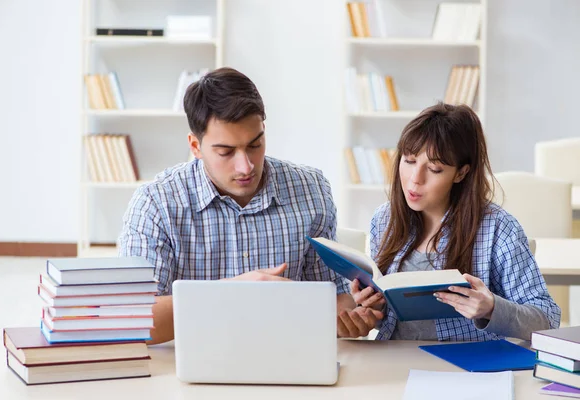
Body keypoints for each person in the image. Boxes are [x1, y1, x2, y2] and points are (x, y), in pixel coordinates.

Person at [118, 67, 383, 344]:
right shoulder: (156, 203)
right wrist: (231, 293)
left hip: (288, 359)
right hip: (192, 363)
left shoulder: (311, 189)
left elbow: (333, 297)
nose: (246, 167)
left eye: (255, 145)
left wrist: (353, 315)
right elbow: (133, 321)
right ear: (195, 146)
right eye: (226, 152)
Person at [352, 102, 560, 341]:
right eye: (409, 161)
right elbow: (391, 319)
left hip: (465, 368)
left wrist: (492, 308)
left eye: (434, 168)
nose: (415, 179)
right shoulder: (384, 219)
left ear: (461, 173)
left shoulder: (498, 228)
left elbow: (548, 320)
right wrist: (372, 308)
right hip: (394, 362)